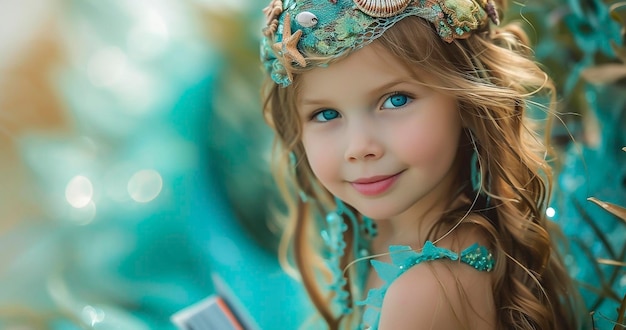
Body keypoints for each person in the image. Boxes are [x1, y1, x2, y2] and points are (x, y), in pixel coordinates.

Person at [259, 0, 584, 329]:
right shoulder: (387, 237)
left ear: (466, 100)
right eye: (327, 114)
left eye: (396, 100)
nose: (359, 148)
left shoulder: (427, 290)